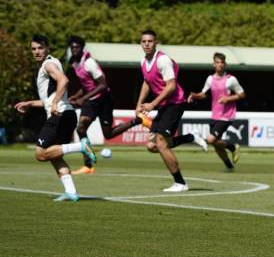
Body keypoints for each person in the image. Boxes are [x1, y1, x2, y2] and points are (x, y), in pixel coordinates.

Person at [14, 35, 97, 202]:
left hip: (59, 114)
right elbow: (48, 98)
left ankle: (81, 146)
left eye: (40, 48)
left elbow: (64, 80)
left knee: (40, 153)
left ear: (47, 48)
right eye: (33, 48)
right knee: (54, 155)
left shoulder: (48, 64)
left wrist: (55, 103)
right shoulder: (53, 63)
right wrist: (30, 103)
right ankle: (71, 192)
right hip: (66, 113)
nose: (37, 51)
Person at [136, 30, 207, 192]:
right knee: (151, 145)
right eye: (144, 41)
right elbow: (146, 83)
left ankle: (180, 183)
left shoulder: (163, 61)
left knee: (160, 143)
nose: (147, 44)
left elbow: (171, 86)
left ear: (156, 42)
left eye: (150, 41)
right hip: (164, 105)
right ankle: (190, 137)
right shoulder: (143, 62)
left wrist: (152, 104)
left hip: (175, 103)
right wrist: (139, 104)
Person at [66, 35, 149, 174]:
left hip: (104, 100)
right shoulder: (74, 62)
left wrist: (83, 98)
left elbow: (103, 85)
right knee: (80, 128)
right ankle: (88, 165)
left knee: (108, 135)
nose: (74, 49)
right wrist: (77, 95)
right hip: (91, 101)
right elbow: (86, 83)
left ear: (82, 48)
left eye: (77, 47)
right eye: (72, 47)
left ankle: (138, 121)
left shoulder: (89, 63)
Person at [187, 52, 245, 170]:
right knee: (216, 144)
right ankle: (229, 166)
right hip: (215, 115)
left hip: (227, 115)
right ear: (214, 64)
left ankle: (233, 147)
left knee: (211, 139)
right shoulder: (210, 79)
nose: (220, 65)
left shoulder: (231, 80)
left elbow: (242, 94)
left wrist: (228, 98)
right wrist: (195, 96)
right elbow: (204, 94)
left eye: (222, 62)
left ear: (225, 64)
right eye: (217, 62)